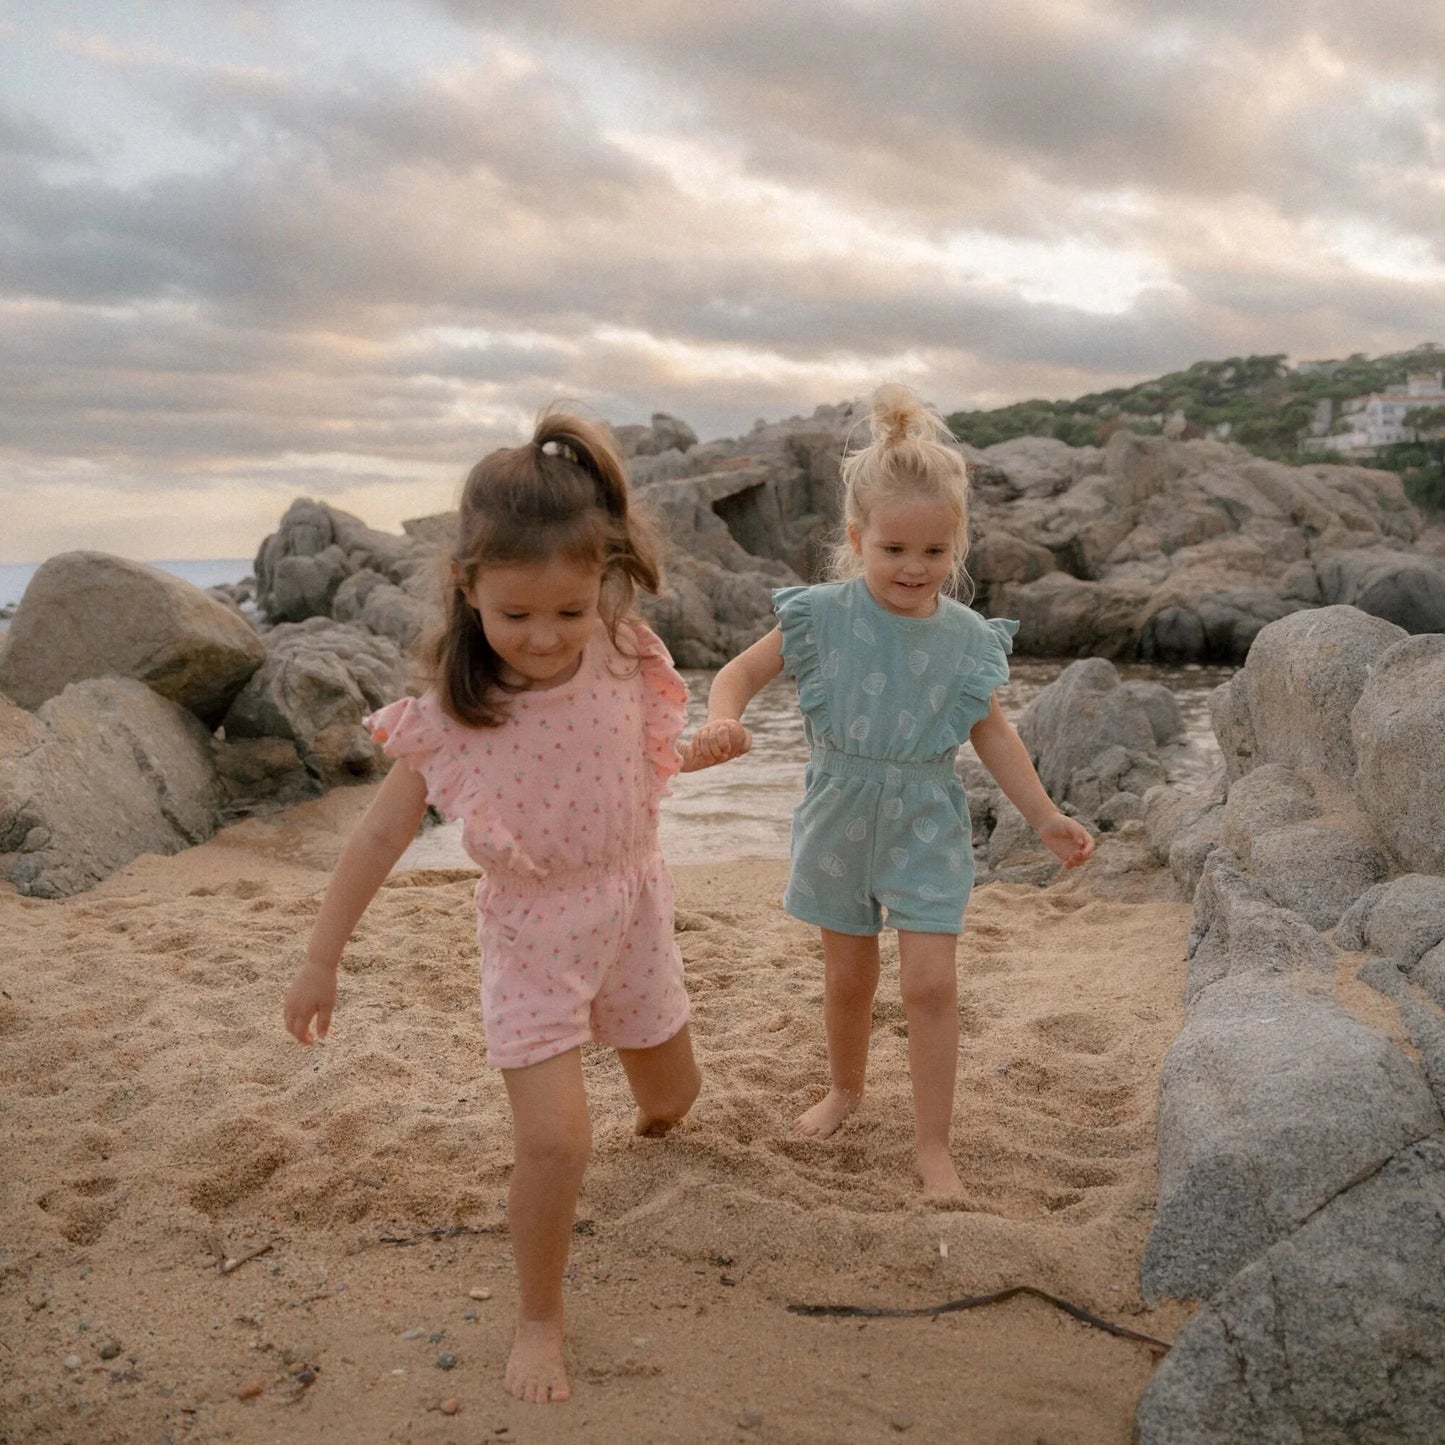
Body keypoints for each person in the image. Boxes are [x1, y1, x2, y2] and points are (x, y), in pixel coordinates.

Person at [284, 410, 703, 1404]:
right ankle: (538, 1318)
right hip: (529, 937)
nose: (546, 636)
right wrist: (320, 957)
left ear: (602, 583)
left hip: (634, 907)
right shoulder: (453, 721)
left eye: (568, 609)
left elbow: (628, 755)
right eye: (517, 614)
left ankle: (657, 1113)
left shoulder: (621, 650)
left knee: (670, 1100)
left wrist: (698, 746)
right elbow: (380, 837)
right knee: (558, 1137)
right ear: (468, 587)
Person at [683, 383, 1094, 1198]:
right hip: (838, 811)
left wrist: (1043, 816)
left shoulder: (966, 638)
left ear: (957, 546)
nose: (914, 568)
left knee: (930, 980)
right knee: (848, 978)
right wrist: (721, 722)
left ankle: (932, 1142)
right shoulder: (820, 614)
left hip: (923, 819)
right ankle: (844, 1087)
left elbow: (993, 733)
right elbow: (739, 673)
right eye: (894, 550)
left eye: (934, 553)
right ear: (856, 537)